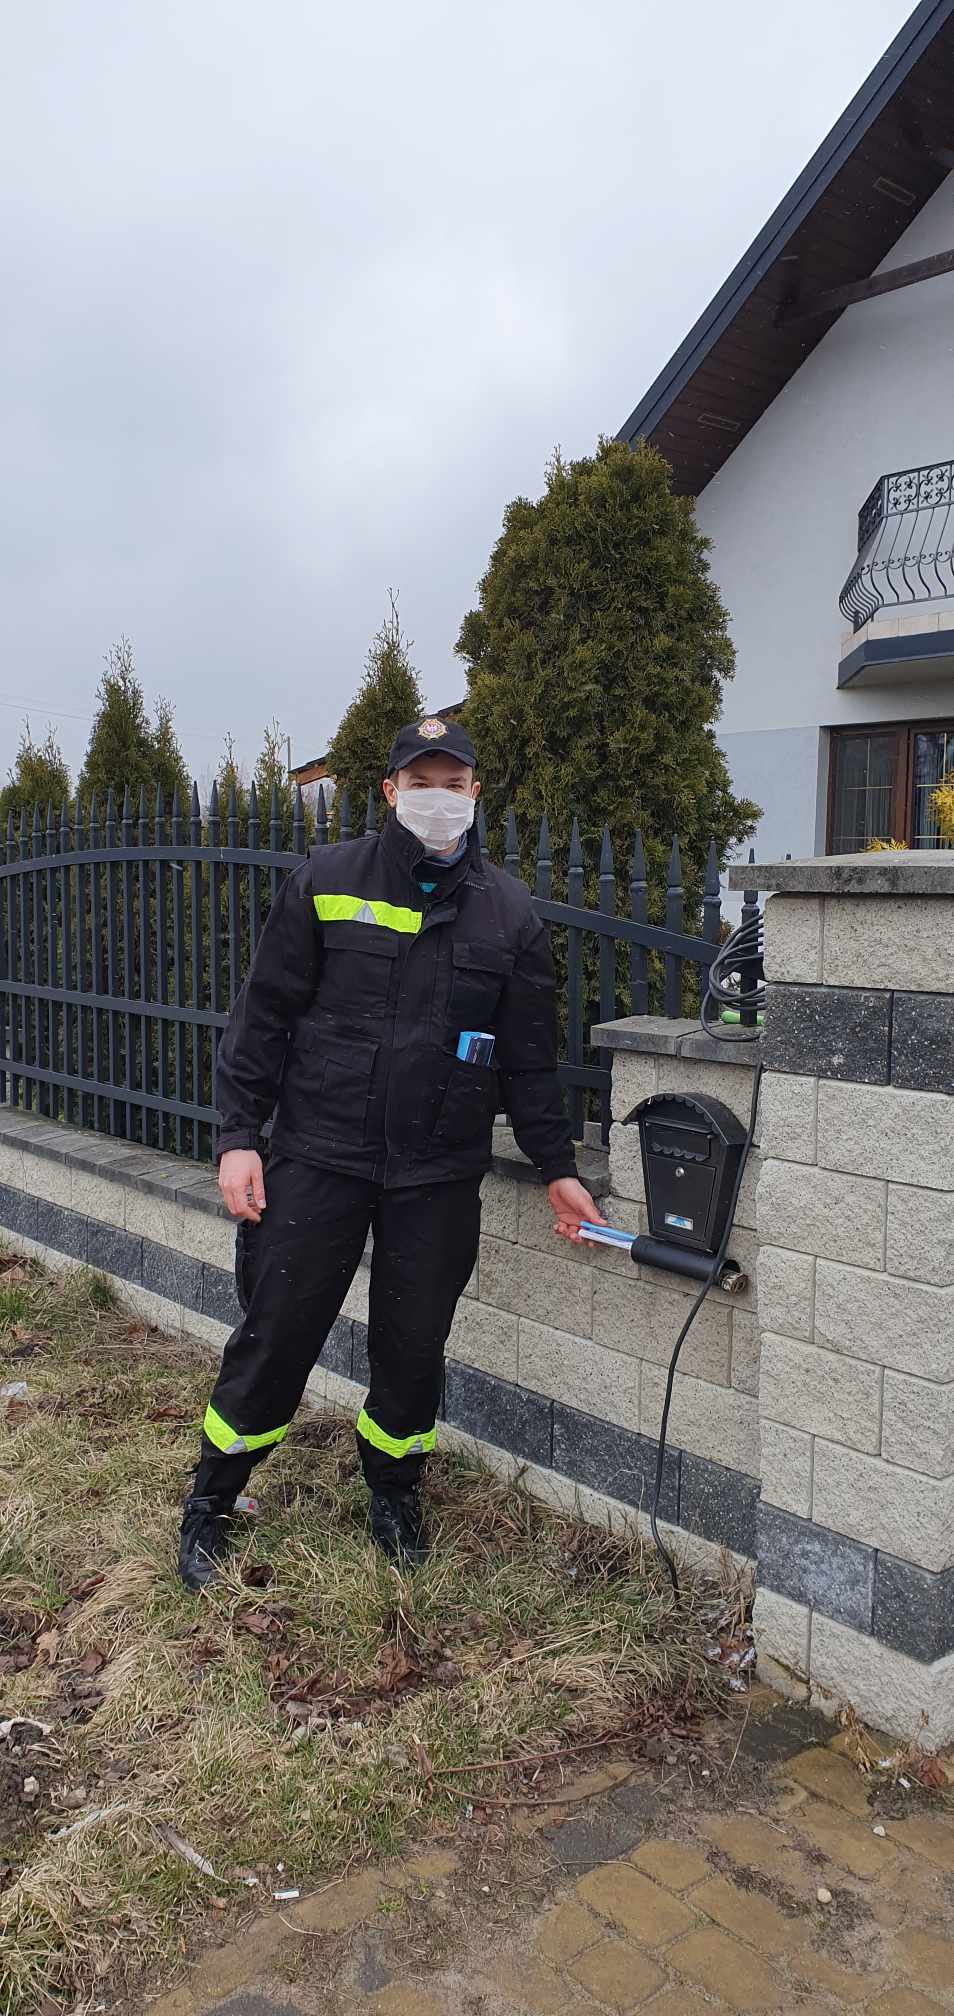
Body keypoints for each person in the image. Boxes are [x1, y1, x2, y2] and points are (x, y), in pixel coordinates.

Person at [178, 716, 604, 1589]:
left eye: (452, 784)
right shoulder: (327, 880)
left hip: (436, 1174)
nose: (436, 799)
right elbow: (262, 1018)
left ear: (476, 793)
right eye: (420, 783)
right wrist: (238, 1138)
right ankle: (213, 1501)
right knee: (277, 1333)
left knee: (413, 1349)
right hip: (319, 1154)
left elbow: (528, 1064)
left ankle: (395, 1494)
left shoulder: (510, 915)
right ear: (389, 791)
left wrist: (558, 1169)